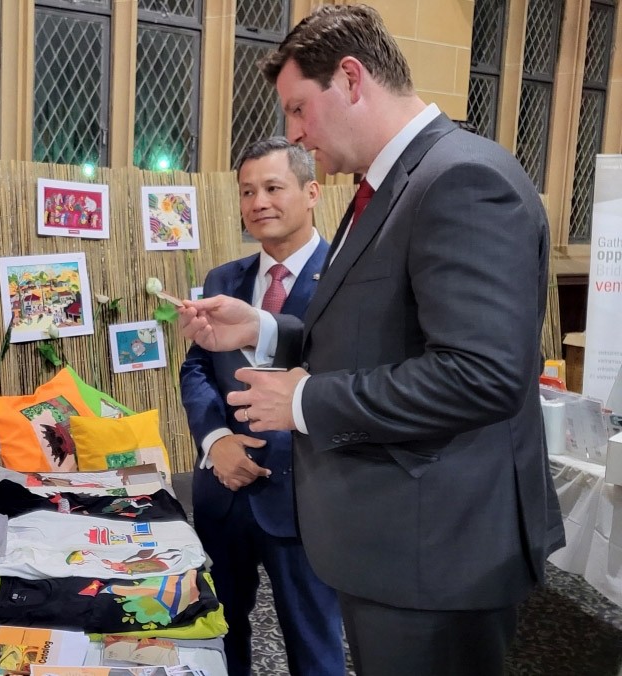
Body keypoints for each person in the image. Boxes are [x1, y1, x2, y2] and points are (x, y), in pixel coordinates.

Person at [178, 5, 564, 675]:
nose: (296, 132)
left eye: (299, 109)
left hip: (439, 553)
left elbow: (480, 374)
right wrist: (266, 328)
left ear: (351, 79)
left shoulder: (461, 181)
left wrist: (304, 403)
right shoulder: (388, 189)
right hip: (394, 542)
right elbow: (373, 336)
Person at [180, 137, 343, 676]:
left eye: (273, 187)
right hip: (224, 491)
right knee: (220, 631)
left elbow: (345, 379)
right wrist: (215, 442)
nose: (258, 203)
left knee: (313, 642)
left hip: (307, 497)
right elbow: (197, 368)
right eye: (247, 191)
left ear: (311, 191)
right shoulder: (223, 280)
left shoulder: (345, 280)